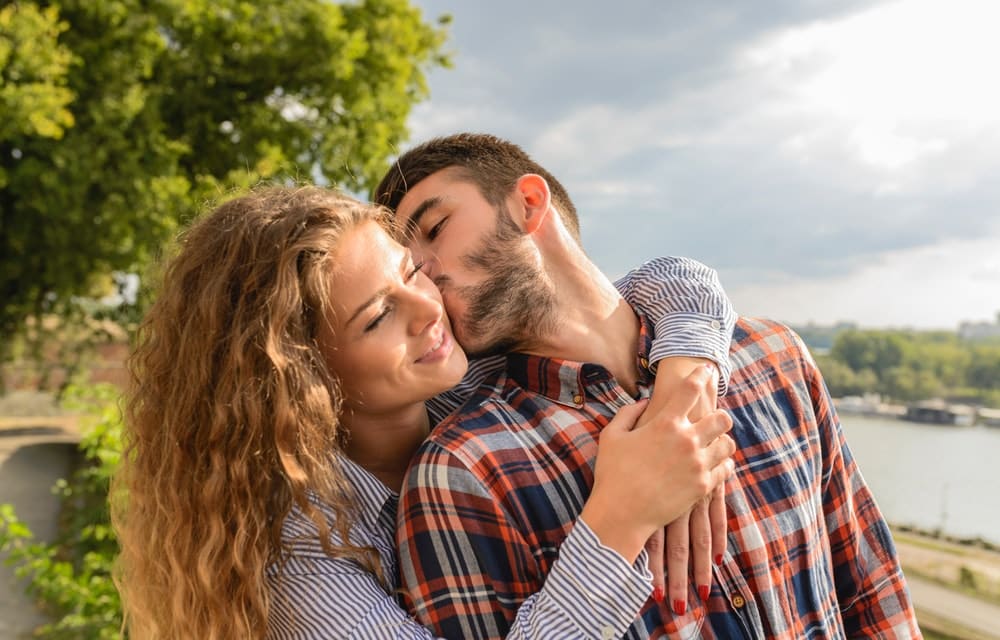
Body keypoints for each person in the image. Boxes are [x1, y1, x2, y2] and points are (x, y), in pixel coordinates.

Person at [112, 185, 740, 639]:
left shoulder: (467, 380)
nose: (428, 308)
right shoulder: (301, 556)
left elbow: (668, 283)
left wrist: (684, 389)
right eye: (379, 316)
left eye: (413, 271)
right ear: (301, 377)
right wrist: (619, 520)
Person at [374, 133, 921, 639]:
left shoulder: (774, 357)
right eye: (408, 267)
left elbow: (872, 594)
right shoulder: (460, 473)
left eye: (435, 228)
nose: (424, 271)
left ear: (529, 204)